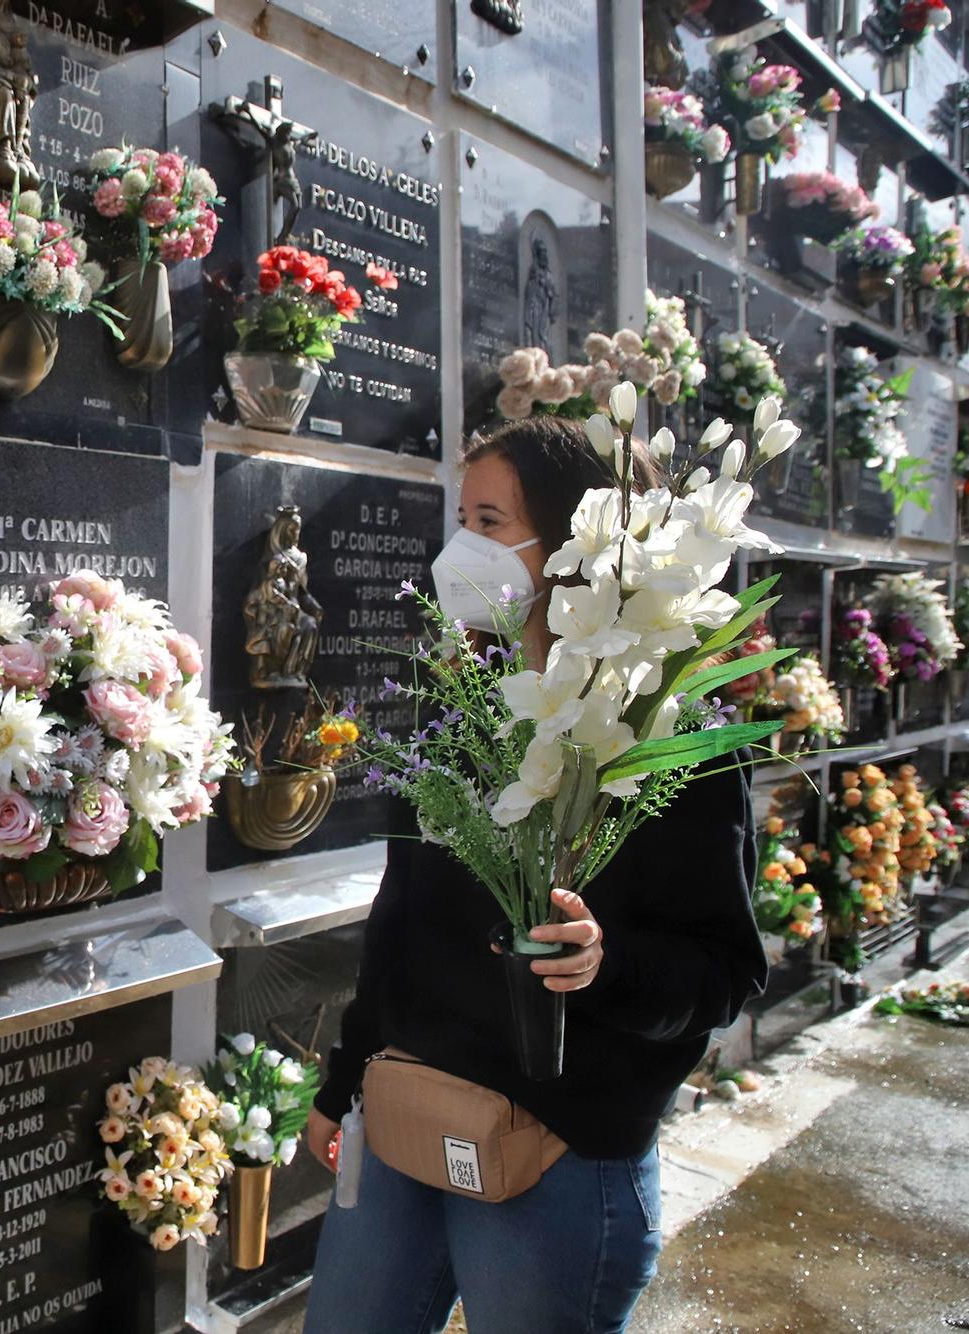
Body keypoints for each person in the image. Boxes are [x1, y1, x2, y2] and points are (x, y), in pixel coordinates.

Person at [301, 416, 766, 1333]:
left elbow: (723, 969)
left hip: (560, 1152)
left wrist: (605, 963)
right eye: (462, 517)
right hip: (406, 1119)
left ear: (571, 540)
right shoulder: (461, 705)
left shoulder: (665, 730)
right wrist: (342, 1083)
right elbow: (401, 917)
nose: (463, 547)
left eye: (489, 518)